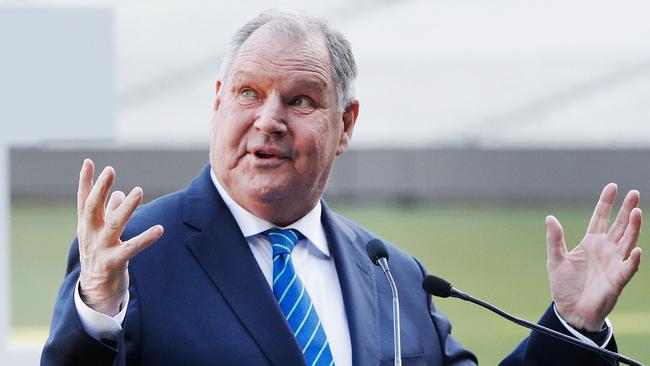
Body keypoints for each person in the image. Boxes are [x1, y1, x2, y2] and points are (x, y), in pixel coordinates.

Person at [41, 9, 642, 366]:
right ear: (218, 103)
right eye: (248, 93)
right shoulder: (136, 258)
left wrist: (571, 325)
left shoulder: (396, 277)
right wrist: (95, 312)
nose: (268, 119)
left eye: (299, 100)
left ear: (345, 125)